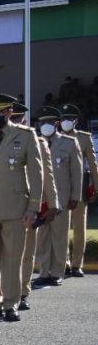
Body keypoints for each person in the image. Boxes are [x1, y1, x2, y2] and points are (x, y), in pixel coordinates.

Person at [0, 93, 44, 323]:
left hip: (16, 208)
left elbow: (36, 174)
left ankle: (10, 304)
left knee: (13, 259)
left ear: (9, 112)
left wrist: (33, 207)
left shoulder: (25, 135)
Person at [15, 103, 58, 311]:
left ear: (23, 120)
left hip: (27, 205)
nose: (13, 122)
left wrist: (52, 204)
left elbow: (47, 175)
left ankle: (22, 292)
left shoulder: (37, 142)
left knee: (26, 253)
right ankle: (0, 293)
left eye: (16, 118)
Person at [35, 105, 82, 286]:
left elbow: (76, 173)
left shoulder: (69, 143)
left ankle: (57, 272)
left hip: (62, 197)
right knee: (42, 236)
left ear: (56, 123)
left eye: (48, 122)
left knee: (59, 235)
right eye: (42, 122)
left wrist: (75, 196)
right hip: (41, 197)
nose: (45, 125)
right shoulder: (35, 142)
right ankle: (44, 272)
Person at [61, 104, 98, 277]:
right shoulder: (54, 138)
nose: (66, 121)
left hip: (79, 185)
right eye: (63, 118)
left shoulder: (84, 138)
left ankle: (76, 264)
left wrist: (96, 187)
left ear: (75, 120)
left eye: (69, 118)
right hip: (60, 187)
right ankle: (64, 262)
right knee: (61, 228)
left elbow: (93, 165)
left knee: (79, 228)